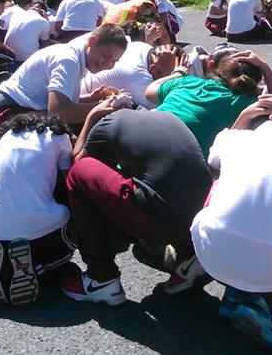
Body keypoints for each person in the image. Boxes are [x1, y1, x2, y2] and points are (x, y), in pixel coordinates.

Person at [191, 113, 272, 352]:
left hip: (210, 253)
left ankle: (234, 295)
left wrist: (244, 114)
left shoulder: (233, 140)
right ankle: (265, 303)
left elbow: (214, 160)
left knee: (220, 190)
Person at [62, 106, 213, 306]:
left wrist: (90, 116)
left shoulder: (107, 123)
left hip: (161, 222)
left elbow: (77, 161)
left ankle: (100, 279)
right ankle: (191, 256)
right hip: (202, 224)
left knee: (81, 173)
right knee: (168, 185)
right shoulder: (167, 118)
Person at [0, 112, 80, 306]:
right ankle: (35, 268)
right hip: (36, 231)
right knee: (67, 210)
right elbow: (70, 181)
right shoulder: (60, 137)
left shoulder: (6, 138)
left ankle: (4, 269)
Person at [0, 23, 128, 142]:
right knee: (78, 143)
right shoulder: (68, 60)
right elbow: (60, 112)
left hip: (22, 111)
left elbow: (56, 101)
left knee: (82, 134)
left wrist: (90, 99)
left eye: (114, 61)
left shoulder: (80, 56)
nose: (109, 65)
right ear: (91, 42)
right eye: (106, 56)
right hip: (7, 117)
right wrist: (106, 108)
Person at [145, 50, 272, 154]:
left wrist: (178, 73)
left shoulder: (186, 82)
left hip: (141, 142)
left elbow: (149, 92)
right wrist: (264, 66)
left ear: (216, 69)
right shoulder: (244, 104)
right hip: (176, 167)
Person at [81, 42, 181, 110]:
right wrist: (169, 73)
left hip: (79, 92)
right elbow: (168, 110)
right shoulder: (140, 82)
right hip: (80, 110)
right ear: (153, 70)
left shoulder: (142, 46)